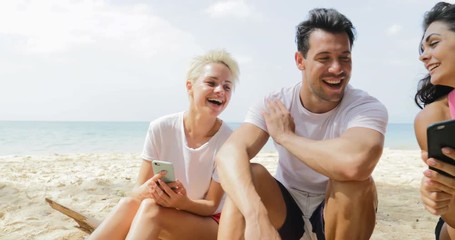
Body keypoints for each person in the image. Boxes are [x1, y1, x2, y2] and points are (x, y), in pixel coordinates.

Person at [215, 8, 388, 240]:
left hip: (334, 211)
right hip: (286, 207)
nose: (337, 68)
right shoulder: (277, 103)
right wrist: (255, 215)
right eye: (324, 58)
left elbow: (355, 164)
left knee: (354, 184)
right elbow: (228, 154)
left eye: (344, 58)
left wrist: (287, 137)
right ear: (300, 61)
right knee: (248, 176)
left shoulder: (365, 107)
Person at [88, 49, 239, 240]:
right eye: (211, 83)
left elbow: (211, 205)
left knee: (151, 209)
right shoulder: (161, 128)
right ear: (189, 86)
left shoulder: (228, 140)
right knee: (129, 203)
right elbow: (136, 191)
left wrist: (183, 202)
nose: (220, 91)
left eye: (227, 87)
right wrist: (148, 190)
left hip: (211, 222)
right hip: (171, 211)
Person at [414, 2, 455, 240]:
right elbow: (452, 217)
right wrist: (439, 193)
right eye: (422, 48)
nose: (423, 56)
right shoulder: (433, 117)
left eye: (433, 43)